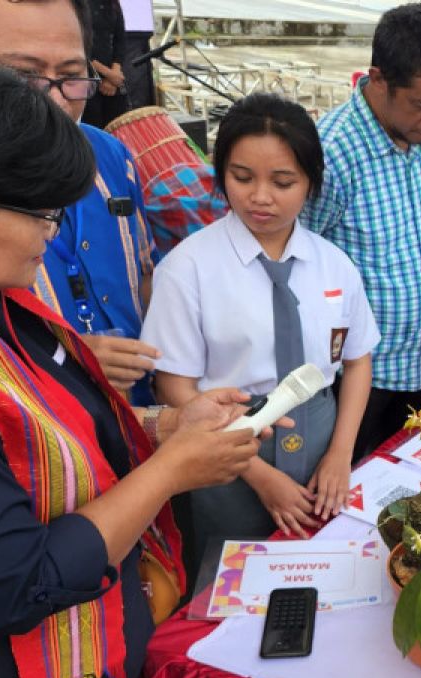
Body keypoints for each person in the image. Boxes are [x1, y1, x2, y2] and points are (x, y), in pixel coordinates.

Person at [0, 58, 259, 678]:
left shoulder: (2, 307)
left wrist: (162, 430)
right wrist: (170, 472)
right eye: (36, 212)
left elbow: (57, 444)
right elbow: (11, 580)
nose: (50, 233)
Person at [143, 94, 379, 552]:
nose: (260, 197)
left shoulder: (334, 266)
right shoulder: (188, 268)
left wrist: (340, 456)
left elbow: (356, 361)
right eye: (242, 177)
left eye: (283, 181)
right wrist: (256, 472)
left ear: (311, 183)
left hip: (320, 439)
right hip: (225, 447)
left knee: (321, 563)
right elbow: (175, 387)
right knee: (231, 571)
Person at [0, 0, 162, 406]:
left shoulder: (113, 156)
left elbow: (145, 272)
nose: (53, 102)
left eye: (72, 76)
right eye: (22, 75)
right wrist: (61, 359)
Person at [301, 3, 421, 461]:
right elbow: (298, 263)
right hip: (357, 375)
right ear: (378, 79)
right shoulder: (332, 152)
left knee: (407, 474)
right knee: (343, 481)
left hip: (420, 355)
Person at [83, 0, 129, 128]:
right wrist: (108, 74)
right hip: (86, 77)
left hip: (111, 79)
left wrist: (114, 73)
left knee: (117, 127)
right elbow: (78, 46)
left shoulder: (113, 4)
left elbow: (120, 40)